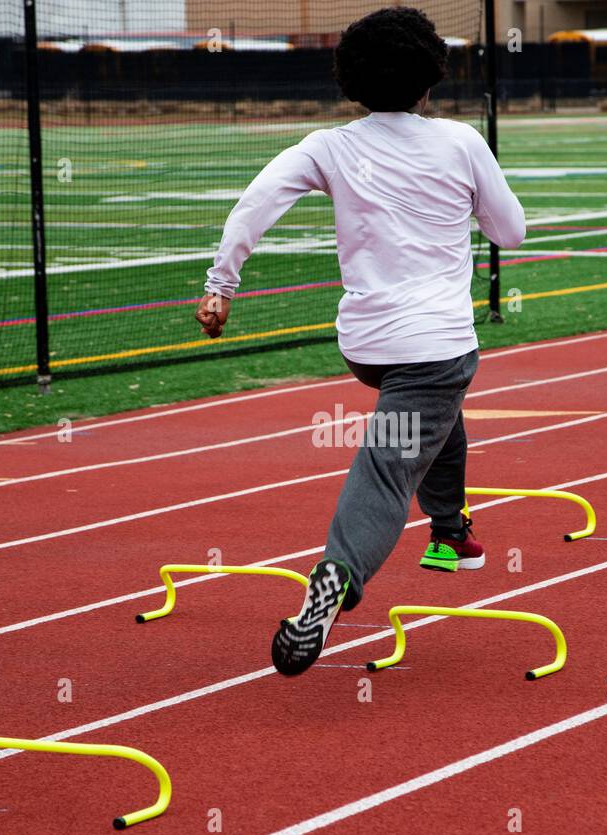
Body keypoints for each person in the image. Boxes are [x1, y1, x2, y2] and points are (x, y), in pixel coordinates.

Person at [195, 6, 525, 676]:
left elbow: (255, 204)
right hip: (435, 344)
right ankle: (336, 577)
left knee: (434, 414)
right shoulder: (460, 142)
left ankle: (449, 528)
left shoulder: (328, 146)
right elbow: (511, 233)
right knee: (388, 463)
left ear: (352, 78)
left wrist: (220, 285)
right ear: (430, 77)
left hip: (367, 347)